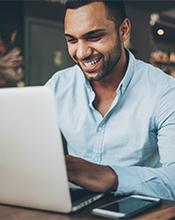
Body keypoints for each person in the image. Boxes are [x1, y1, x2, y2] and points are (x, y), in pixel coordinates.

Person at [46, 0, 175, 200]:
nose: (81, 53)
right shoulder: (58, 86)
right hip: (75, 207)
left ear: (123, 31)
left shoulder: (165, 92)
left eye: (94, 37)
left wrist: (110, 176)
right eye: (72, 40)